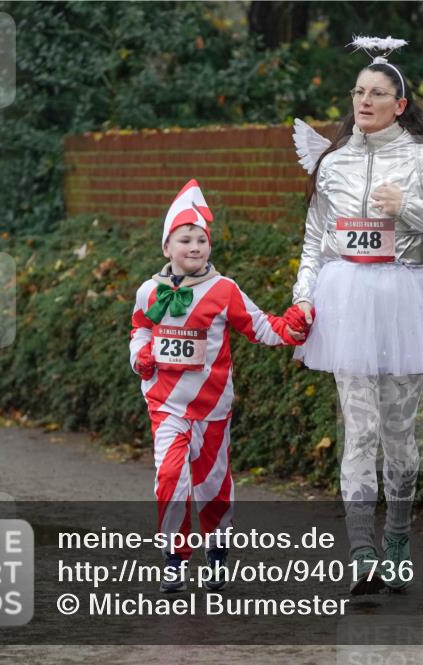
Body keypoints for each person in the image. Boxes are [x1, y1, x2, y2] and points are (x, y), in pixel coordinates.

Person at [290, 37, 423, 594]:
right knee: (359, 429)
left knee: (398, 432)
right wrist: (303, 298)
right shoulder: (333, 162)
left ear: (400, 104)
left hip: (405, 299)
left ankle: (397, 535)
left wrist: (409, 208)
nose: (364, 101)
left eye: (377, 93)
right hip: (345, 298)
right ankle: (361, 552)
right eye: (358, 92)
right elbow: (314, 242)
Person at [129, 179, 311, 593]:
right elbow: (139, 329)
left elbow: (260, 325)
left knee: (212, 485)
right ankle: (173, 558)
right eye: (185, 239)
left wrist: (294, 329)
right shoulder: (148, 291)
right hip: (166, 405)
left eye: (201, 240)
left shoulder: (224, 289)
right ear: (167, 247)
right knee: (170, 476)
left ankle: (216, 552)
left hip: (212, 407)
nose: (194, 247)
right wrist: (140, 356)